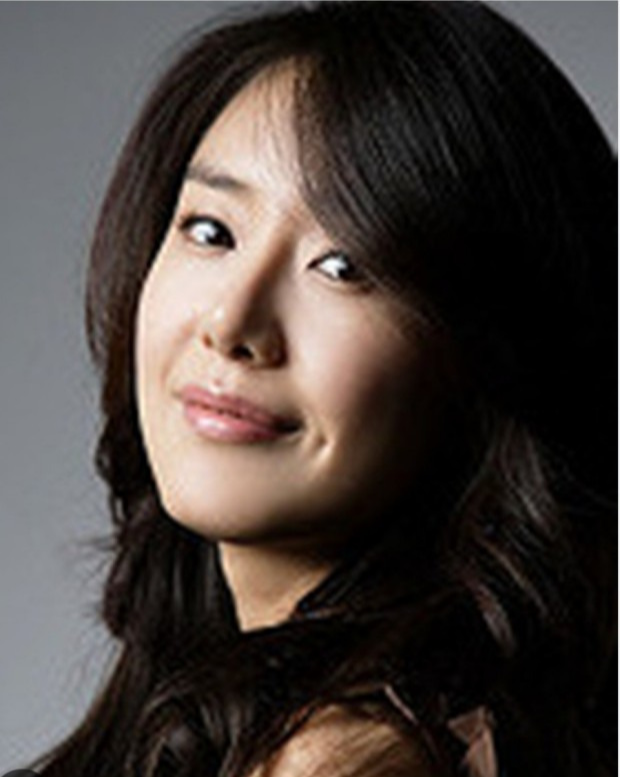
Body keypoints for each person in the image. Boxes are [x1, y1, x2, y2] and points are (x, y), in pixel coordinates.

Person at [35, 2, 616, 776]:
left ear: (486, 352)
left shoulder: (345, 758)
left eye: (343, 267)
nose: (232, 322)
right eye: (211, 230)